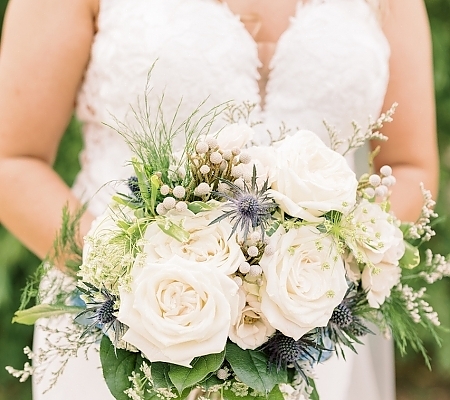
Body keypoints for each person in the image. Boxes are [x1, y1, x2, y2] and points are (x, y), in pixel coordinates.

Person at [0, 0, 438, 399]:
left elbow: (411, 167)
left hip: (308, 333)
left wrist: (300, 289)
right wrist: (136, 293)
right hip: (125, 326)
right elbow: (13, 162)